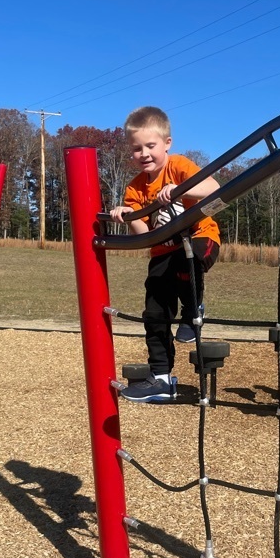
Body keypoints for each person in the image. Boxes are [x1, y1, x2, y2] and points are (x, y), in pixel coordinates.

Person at [109, 106, 221, 403]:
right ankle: (160, 378)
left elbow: (215, 188)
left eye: (150, 145)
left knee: (189, 257)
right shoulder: (135, 188)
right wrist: (129, 214)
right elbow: (143, 235)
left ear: (167, 144)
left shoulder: (180, 166)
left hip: (201, 238)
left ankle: (193, 308)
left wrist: (181, 188)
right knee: (155, 310)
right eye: (136, 148)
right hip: (163, 251)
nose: (144, 153)